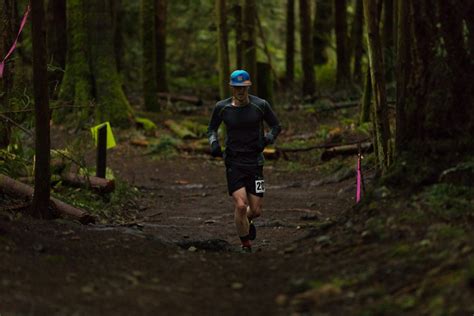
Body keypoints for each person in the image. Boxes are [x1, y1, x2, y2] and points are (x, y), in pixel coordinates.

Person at [207, 69, 282, 252]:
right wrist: (214, 143)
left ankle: (247, 221)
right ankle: (245, 244)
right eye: (237, 87)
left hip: (256, 163)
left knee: (255, 211)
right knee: (241, 205)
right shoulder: (222, 107)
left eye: (244, 87)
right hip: (234, 162)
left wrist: (266, 140)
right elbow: (211, 130)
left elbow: (276, 126)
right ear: (231, 87)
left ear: (248, 87)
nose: (240, 91)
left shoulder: (261, 105)